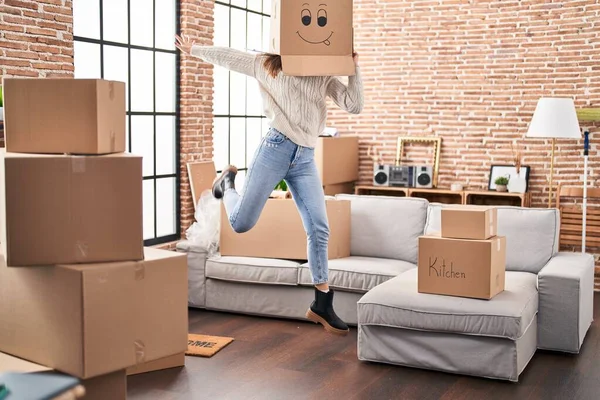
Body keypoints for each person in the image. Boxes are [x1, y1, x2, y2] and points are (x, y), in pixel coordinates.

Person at [175, 34, 364, 336]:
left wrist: (352, 66)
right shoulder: (268, 64)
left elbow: (354, 105)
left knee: (319, 227)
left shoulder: (323, 72)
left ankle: (322, 303)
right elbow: (230, 57)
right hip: (275, 149)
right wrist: (195, 49)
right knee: (241, 224)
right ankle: (227, 186)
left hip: (305, 157)